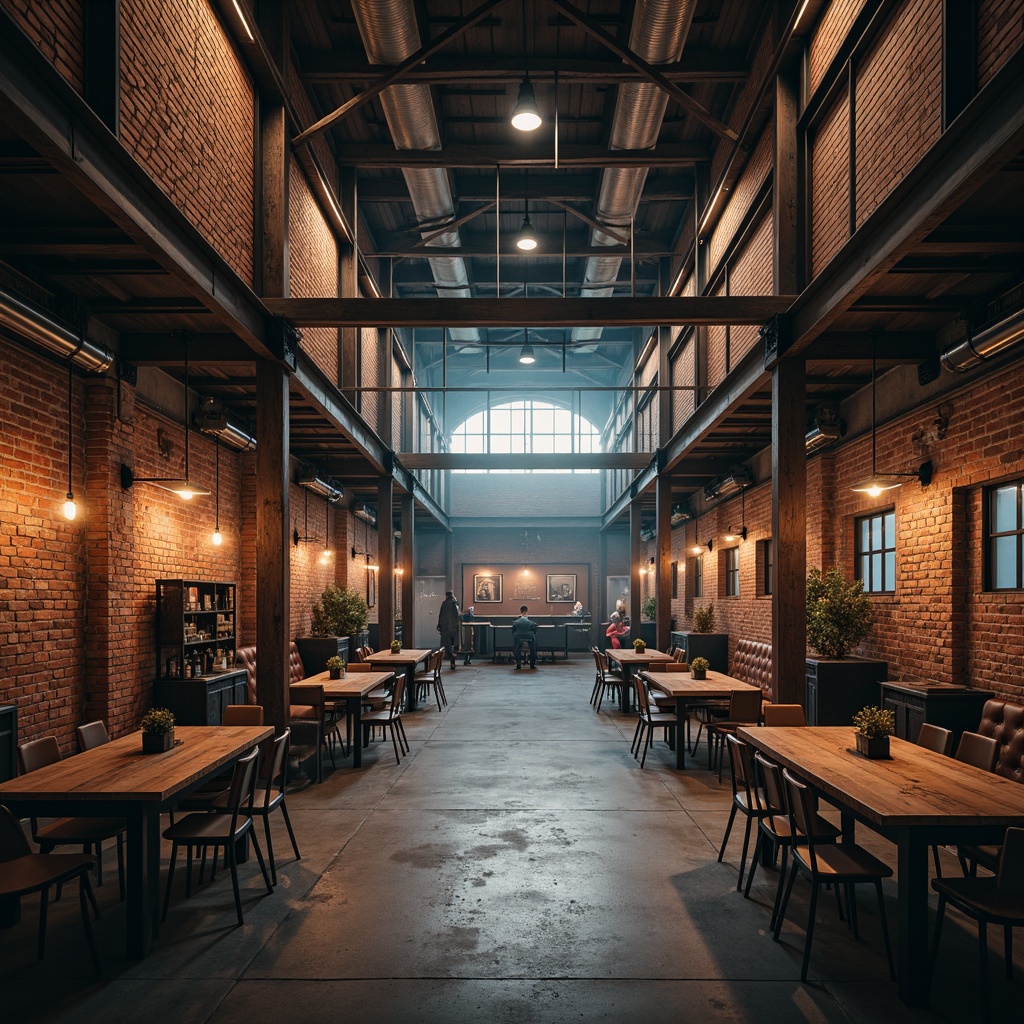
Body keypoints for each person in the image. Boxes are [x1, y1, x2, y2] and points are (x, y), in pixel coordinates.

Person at [437, 590, 461, 670]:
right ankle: (452, 661)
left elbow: (441, 615)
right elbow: (458, 614)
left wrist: (439, 625)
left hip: (445, 628)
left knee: (447, 646)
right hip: (453, 628)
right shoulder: (454, 603)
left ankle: (446, 659)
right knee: (453, 645)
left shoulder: (444, 604)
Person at [511, 605, 537, 670]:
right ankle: (532, 664)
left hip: (519, 637)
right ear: (526, 612)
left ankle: (518, 663)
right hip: (529, 637)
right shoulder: (531, 622)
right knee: (533, 649)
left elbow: (513, 630)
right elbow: (534, 629)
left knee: (516, 648)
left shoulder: (516, 622)